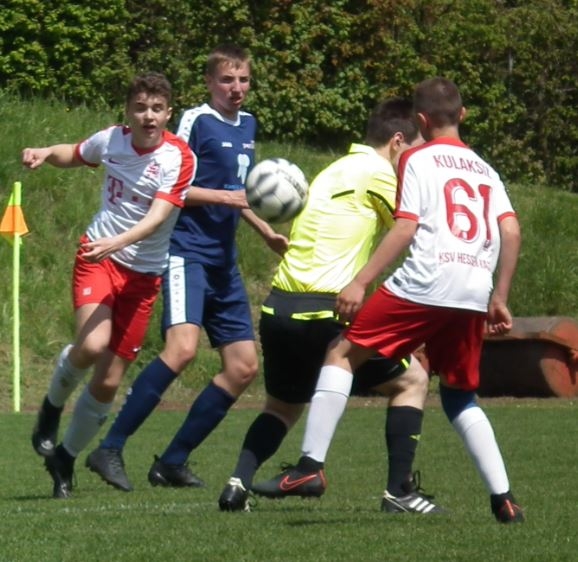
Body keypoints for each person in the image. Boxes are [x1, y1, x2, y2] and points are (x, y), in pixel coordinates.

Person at [259, 77, 525, 524]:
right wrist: (500, 296)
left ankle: (310, 467)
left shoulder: (416, 157)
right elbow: (511, 231)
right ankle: (505, 499)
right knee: (460, 396)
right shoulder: (484, 168)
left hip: (427, 280)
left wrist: (360, 282)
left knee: (342, 352)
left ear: (421, 120)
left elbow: (405, 226)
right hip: (473, 289)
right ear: (462, 115)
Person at [217, 98, 441, 514]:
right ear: (397, 141)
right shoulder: (380, 174)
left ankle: (237, 485)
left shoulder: (331, 170)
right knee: (412, 381)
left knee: (282, 406)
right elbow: (413, 228)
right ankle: (399, 492)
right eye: (415, 149)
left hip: (279, 308)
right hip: (330, 309)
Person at [85, 44, 288, 492]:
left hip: (223, 261)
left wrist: (264, 231)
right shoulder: (197, 121)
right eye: (227, 80)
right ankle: (110, 447)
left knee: (243, 367)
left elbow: (240, 191)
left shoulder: (249, 125)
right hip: (186, 253)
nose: (236, 88)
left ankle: (172, 461)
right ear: (210, 83)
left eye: (243, 79)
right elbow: (177, 186)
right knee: (181, 350)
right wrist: (229, 198)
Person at [27, 72, 196, 499]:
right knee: (92, 345)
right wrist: (46, 152)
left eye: (157, 108)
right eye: (140, 108)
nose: (148, 116)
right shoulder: (112, 140)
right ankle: (50, 410)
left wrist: (117, 243)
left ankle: (65, 457)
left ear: (168, 113)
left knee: (108, 382)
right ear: (127, 111)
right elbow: (74, 153)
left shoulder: (179, 157)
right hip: (98, 259)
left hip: (143, 275)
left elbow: (158, 218)